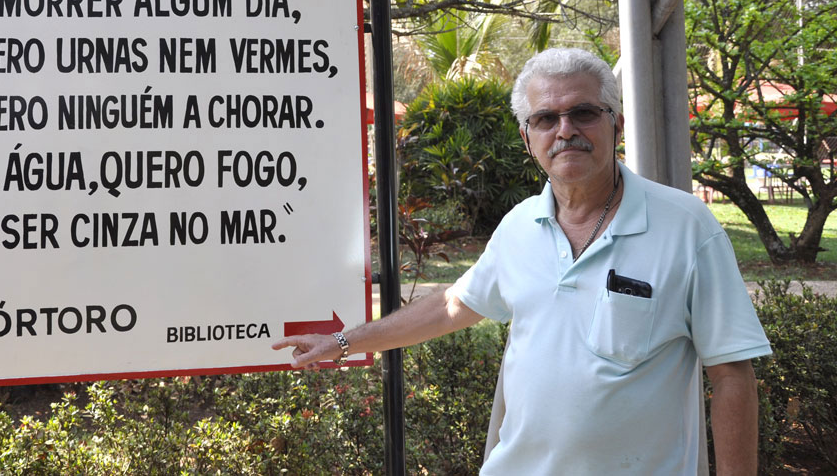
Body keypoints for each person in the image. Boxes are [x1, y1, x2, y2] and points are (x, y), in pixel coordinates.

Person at [273, 47, 770, 476]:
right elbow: (451, 306)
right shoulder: (518, 226)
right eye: (546, 119)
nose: (565, 130)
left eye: (584, 113)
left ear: (615, 122)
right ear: (527, 137)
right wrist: (342, 340)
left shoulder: (686, 226)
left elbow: (731, 375)